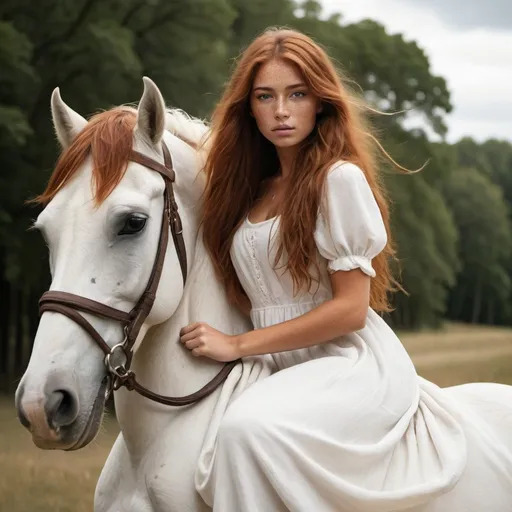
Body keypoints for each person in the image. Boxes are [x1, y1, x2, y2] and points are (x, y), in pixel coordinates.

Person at [179, 28, 467, 511]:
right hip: (271, 365)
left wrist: (238, 345)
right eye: (264, 97)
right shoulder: (249, 190)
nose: (281, 111)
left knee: (244, 431)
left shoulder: (339, 180)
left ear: (321, 102)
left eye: (297, 94)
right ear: (248, 108)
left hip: (344, 363)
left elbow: (351, 310)